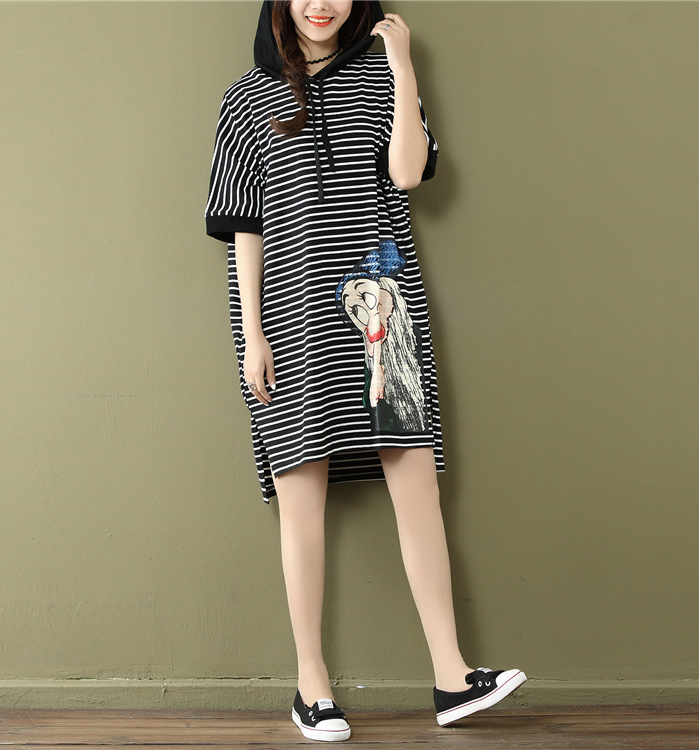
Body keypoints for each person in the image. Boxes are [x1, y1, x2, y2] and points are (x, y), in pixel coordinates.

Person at [205, 0, 526, 741]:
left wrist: (404, 65)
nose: (321, 3)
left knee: (417, 484)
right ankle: (310, 685)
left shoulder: (384, 77)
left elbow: (408, 174)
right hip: (289, 316)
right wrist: (252, 336)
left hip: (385, 304)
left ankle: (452, 677)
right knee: (301, 496)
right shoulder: (245, 99)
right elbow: (242, 227)